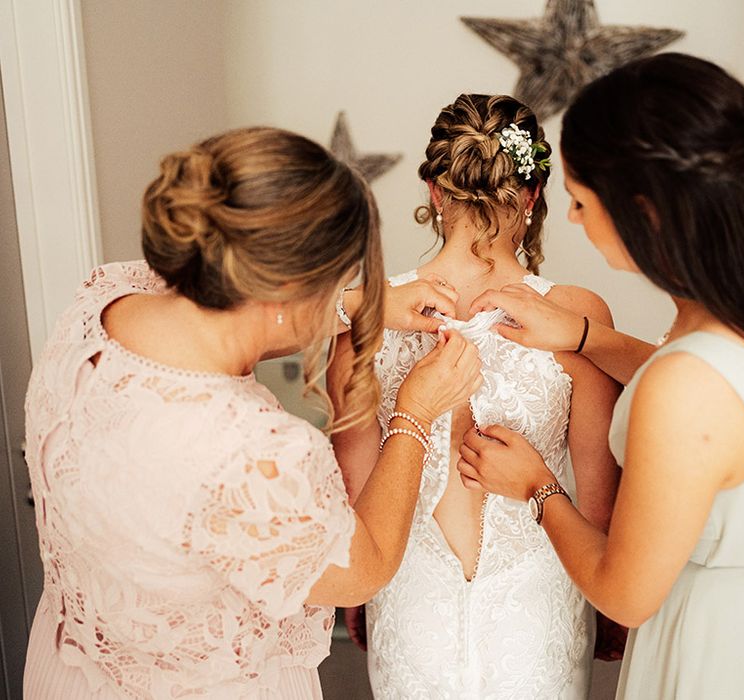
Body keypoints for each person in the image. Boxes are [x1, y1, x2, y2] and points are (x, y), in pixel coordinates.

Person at [22, 126, 483, 699]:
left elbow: (230, 323)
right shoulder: (256, 453)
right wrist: (416, 413)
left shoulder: (100, 305)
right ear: (286, 287)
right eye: (339, 277)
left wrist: (359, 305)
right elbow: (364, 569)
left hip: (71, 670)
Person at [459, 54, 744, 699]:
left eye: (578, 200)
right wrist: (582, 337)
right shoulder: (731, 320)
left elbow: (622, 594)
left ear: (642, 211)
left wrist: (538, 488)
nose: (569, 218)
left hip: (713, 652)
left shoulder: (683, 386)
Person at [328, 94, 622, 698]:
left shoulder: (363, 317)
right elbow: (598, 497)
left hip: (410, 605)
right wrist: (609, 610)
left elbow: (353, 496)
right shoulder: (574, 316)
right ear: (534, 196)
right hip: (539, 606)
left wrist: (360, 602)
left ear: (436, 191)